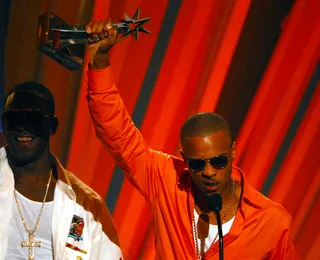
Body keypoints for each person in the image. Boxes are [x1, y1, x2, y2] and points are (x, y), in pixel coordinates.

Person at [85, 20, 299, 259]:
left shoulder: (271, 222)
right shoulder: (166, 182)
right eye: (197, 164)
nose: (208, 172)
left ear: (233, 152)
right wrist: (99, 61)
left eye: (218, 161)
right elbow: (118, 135)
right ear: (184, 159)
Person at [0, 81, 123, 260]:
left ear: (52, 125)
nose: (22, 127)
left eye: (32, 119)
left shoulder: (87, 205)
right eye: (13, 120)